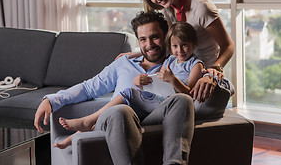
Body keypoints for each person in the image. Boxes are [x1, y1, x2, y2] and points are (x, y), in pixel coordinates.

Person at [34, 11, 195, 164]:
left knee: (183, 99)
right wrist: (51, 100)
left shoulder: (178, 63)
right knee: (121, 110)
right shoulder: (123, 63)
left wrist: (211, 74)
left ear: (166, 36)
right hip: (117, 119)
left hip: (154, 117)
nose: (149, 44)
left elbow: (193, 82)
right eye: (143, 39)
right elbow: (88, 88)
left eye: (155, 37)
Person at [120, 0, 235, 103]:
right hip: (180, 75)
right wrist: (136, 54)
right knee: (131, 87)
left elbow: (228, 46)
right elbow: (171, 46)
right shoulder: (168, 8)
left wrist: (213, 72)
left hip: (203, 76)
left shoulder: (201, 8)